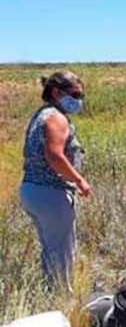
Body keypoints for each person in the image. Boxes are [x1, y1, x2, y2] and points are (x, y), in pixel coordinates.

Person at [20, 71, 91, 288]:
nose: (79, 100)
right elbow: (54, 155)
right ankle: (61, 300)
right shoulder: (56, 118)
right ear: (56, 92)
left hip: (32, 190)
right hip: (51, 193)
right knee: (62, 251)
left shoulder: (41, 114)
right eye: (75, 94)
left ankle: (50, 293)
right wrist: (79, 180)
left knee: (51, 248)